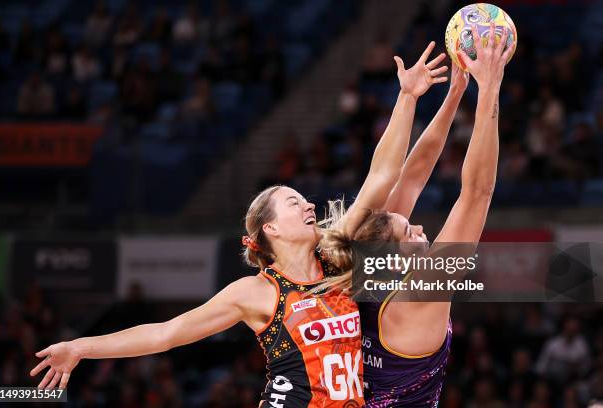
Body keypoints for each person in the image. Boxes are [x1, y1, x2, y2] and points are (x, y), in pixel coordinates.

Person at [30, 42, 449, 406]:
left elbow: (382, 177)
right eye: (293, 202)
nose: (308, 206)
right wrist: (81, 347)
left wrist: (408, 97)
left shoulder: (337, 256)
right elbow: (167, 333)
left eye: (304, 200)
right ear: (271, 229)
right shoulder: (257, 292)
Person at [317, 24, 514, 406]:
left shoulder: (363, 275)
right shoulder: (420, 290)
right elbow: (476, 195)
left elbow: (414, 175)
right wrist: (490, 88)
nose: (419, 227)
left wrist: (456, 94)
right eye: (410, 231)